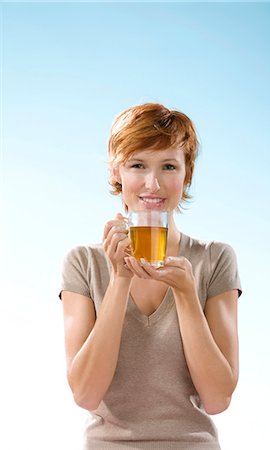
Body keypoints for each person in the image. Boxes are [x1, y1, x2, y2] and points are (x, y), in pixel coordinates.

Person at [58, 103, 243, 450]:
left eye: (169, 166)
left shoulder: (215, 259)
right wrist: (119, 280)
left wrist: (187, 296)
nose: (153, 183)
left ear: (186, 174)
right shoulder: (83, 263)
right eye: (137, 165)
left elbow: (218, 399)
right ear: (117, 173)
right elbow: (85, 393)